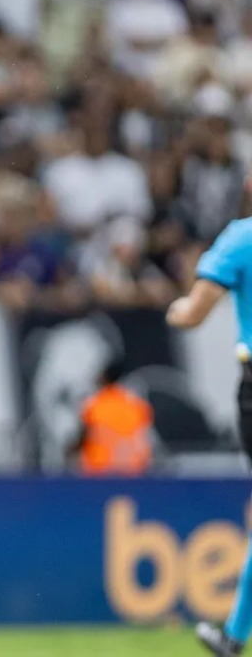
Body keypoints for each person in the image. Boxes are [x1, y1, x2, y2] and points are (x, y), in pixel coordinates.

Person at [169, 217, 252, 657]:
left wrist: (177, 308)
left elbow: (194, 313)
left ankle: (234, 637)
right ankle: (234, 636)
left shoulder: (242, 237)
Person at [65, 360, 153, 475]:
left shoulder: (95, 404)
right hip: (132, 470)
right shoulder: (135, 404)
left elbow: (84, 435)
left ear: (104, 377)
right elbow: (143, 437)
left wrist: (70, 451)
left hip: (100, 470)